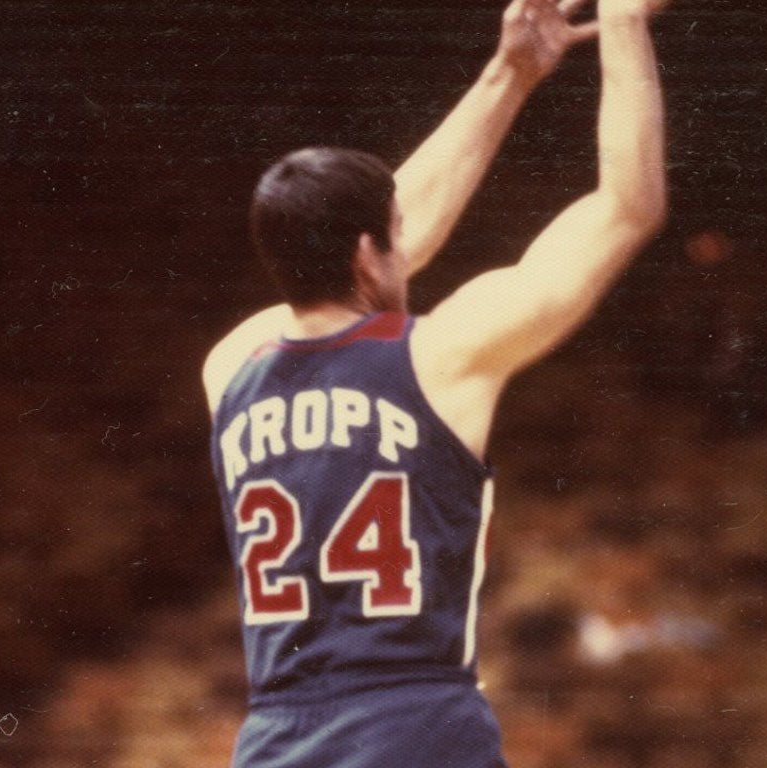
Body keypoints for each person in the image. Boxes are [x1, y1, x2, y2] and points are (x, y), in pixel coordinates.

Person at [203, 0, 667, 764]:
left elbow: (380, 232)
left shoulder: (231, 366)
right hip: (415, 727)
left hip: (275, 740)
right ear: (366, 252)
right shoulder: (442, 355)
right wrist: (622, 23)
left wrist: (508, 76)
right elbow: (627, 207)